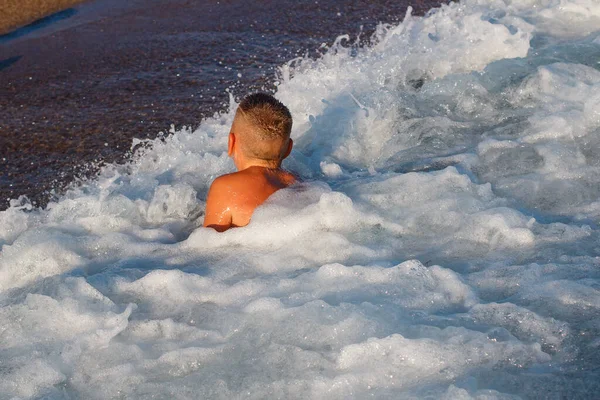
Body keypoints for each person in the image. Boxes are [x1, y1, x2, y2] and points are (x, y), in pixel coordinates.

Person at [203, 93, 296, 232]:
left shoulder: (224, 188)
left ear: (231, 142)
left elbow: (206, 245)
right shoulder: (297, 183)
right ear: (289, 149)